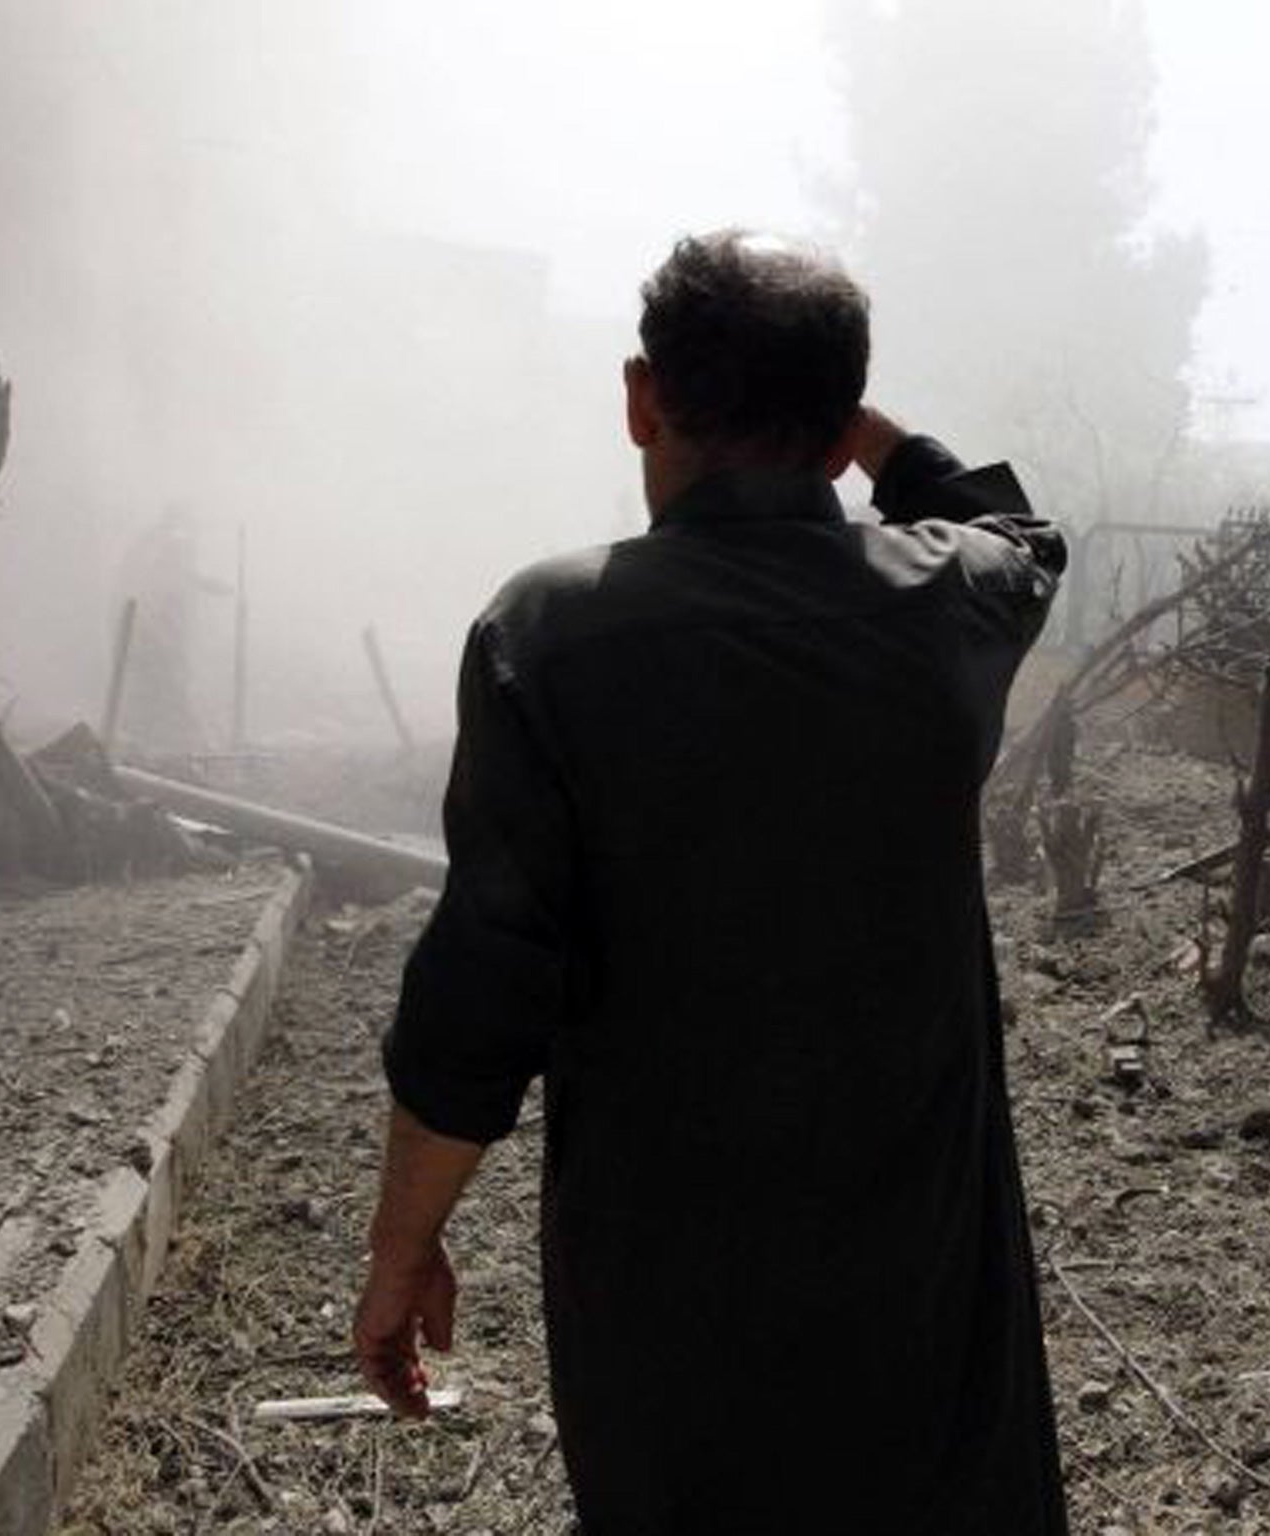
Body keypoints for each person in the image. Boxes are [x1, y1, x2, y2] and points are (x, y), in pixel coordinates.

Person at [354, 231, 1069, 1534]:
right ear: (837, 410)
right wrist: (862, 432)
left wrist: (403, 1247)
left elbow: (478, 994)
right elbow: (1017, 531)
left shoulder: (547, 638)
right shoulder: (951, 608)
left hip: (669, 1324)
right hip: (923, 1302)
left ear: (642, 399)